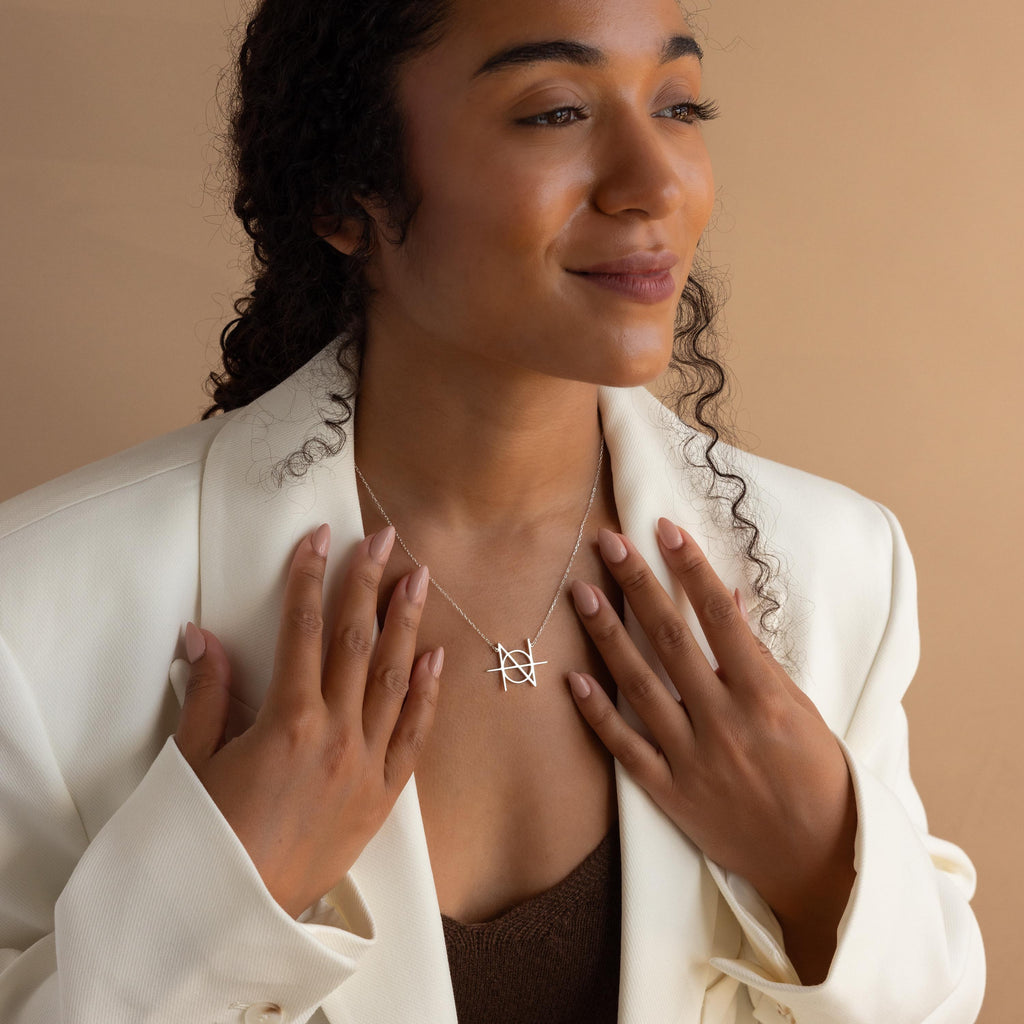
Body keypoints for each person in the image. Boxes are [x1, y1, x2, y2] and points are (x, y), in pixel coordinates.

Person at [0, 0, 985, 1021]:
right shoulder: (36, 613)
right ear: (349, 192)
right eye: (556, 112)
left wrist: (825, 868)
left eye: (681, 104)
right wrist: (204, 905)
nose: (656, 184)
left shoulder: (836, 566)